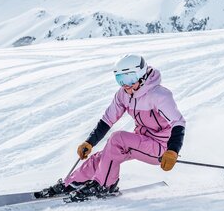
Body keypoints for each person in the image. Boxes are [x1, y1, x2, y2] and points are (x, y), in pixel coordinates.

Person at [39, 54, 185, 199]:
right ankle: (71, 183)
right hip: (141, 141)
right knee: (103, 157)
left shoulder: (159, 95)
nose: (125, 84)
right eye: (120, 79)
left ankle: (105, 185)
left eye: (129, 78)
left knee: (118, 139)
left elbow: (178, 123)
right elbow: (107, 119)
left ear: (141, 75)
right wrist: (89, 142)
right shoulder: (123, 95)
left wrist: (172, 151)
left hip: (162, 149)